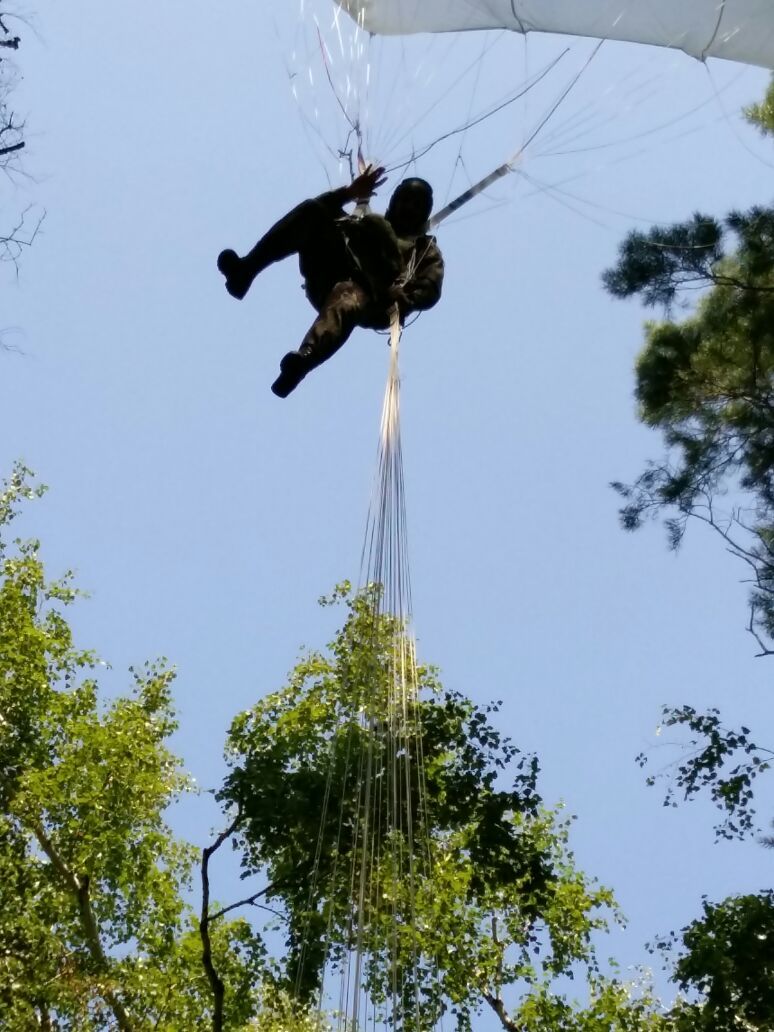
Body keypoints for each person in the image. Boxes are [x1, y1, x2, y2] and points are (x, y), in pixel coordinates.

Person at [216, 166, 444, 397]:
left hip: (374, 295)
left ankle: (302, 362)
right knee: (314, 211)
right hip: (333, 268)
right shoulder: (364, 223)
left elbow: (431, 287)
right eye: (406, 200)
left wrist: (407, 299)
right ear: (393, 202)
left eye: (418, 206)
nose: (410, 208)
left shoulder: (423, 249)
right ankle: (245, 271)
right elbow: (325, 209)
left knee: (350, 293)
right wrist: (349, 193)